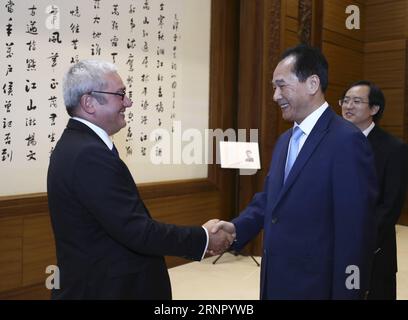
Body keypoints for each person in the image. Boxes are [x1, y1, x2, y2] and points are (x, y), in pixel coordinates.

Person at [47, 59, 234, 299]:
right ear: (89, 102)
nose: (128, 102)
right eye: (120, 94)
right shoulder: (88, 154)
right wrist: (204, 238)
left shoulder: (77, 146)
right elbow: (137, 231)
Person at [212, 44, 378, 299]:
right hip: (276, 282)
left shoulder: (347, 141)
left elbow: (354, 233)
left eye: (281, 85)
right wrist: (236, 228)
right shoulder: (284, 140)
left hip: (315, 287)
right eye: (273, 87)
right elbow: (271, 200)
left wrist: (348, 293)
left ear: (312, 84)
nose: (275, 95)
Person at [341, 80, 408, 300]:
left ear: (374, 109)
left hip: (374, 247)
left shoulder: (393, 148)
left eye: (357, 101)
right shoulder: (333, 143)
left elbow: (390, 205)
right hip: (334, 244)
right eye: (346, 100)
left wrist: (360, 238)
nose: (348, 106)